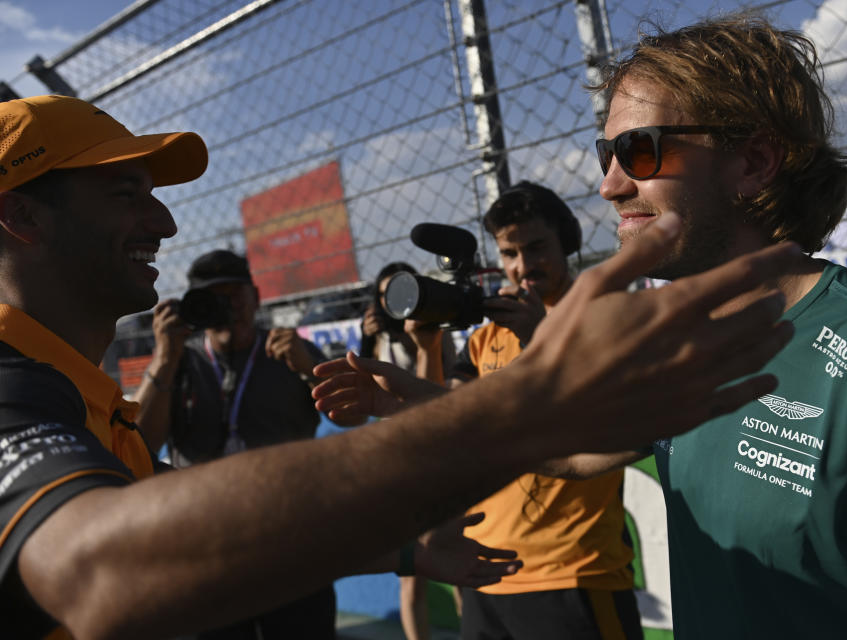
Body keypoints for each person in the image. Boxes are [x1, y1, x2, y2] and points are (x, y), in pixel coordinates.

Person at [0, 94, 799, 640]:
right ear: (21, 214)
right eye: (124, 192)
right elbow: (93, 566)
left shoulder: (70, 387)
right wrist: (523, 409)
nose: (164, 218)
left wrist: (399, 551)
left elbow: (145, 515)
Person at [591, 14, 847, 639]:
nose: (610, 185)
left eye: (640, 150)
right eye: (608, 153)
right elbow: (568, 446)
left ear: (755, 161)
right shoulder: (681, 346)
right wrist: (415, 406)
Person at [416, 180, 644, 639]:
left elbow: (611, 423)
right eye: (509, 253)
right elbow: (440, 429)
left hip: (575, 572)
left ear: (569, 241)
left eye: (536, 247)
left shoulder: (607, 315)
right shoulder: (484, 336)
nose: (523, 267)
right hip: (487, 573)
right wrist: (426, 347)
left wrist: (542, 341)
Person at [132, 248, 337, 638]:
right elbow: (141, 443)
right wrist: (164, 359)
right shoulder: (180, 361)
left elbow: (352, 417)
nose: (227, 307)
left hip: (290, 542)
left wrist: (310, 371)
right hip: (206, 548)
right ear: (194, 306)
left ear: (256, 298)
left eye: (235, 295)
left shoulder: (288, 351)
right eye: (214, 297)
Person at [360, 260, 456, 640]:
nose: (392, 302)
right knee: (411, 573)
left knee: (457, 563)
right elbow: (364, 394)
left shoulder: (432, 331)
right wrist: (367, 341)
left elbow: (437, 392)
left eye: (399, 292)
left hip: (439, 456)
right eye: (384, 296)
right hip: (396, 463)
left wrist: (422, 340)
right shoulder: (378, 338)